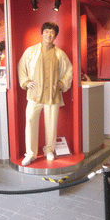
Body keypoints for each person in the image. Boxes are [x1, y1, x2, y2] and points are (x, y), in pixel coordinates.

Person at [18, 22, 73, 166]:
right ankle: (30, 153)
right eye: (47, 31)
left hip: (52, 95)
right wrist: (25, 82)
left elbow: (69, 69)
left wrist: (62, 83)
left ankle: (49, 149)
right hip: (34, 95)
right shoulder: (31, 51)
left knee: (51, 124)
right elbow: (21, 67)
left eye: (52, 32)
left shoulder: (59, 53)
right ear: (41, 33)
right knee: (30, 121)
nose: (49, 34)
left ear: (55, 36)